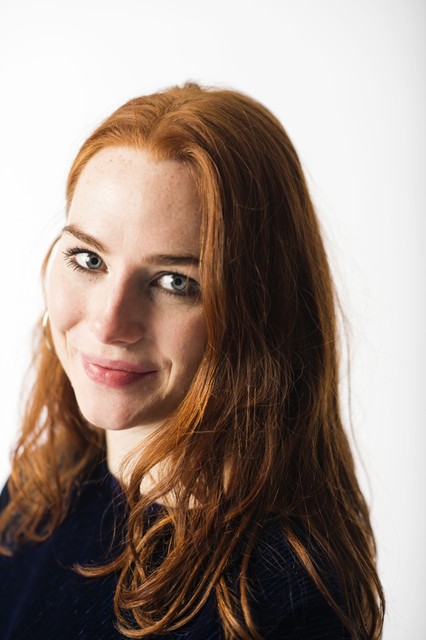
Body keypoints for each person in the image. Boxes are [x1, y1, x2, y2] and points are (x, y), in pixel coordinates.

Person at [0, 83, 385, 639]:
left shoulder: (283, 602)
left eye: (175, 282)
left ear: (261, 311)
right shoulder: (43, 492)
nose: (108, 323)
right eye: (88, 259)